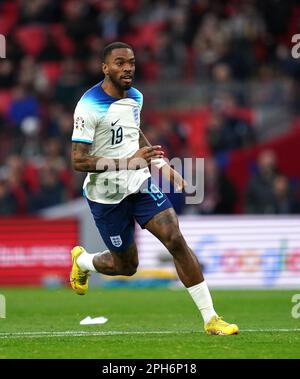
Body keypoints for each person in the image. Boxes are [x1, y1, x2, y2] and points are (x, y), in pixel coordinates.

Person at [70, 41, 239, 336]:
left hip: (139, 185)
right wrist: (128, 161)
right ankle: (82, 260)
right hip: (106, 196)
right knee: (126, 266)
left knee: (175, 238)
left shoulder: (135, 97)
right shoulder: (88, 106)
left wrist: (162, 166)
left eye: (131, 62)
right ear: (105, 68)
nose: (127, 68)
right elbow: (78, 161)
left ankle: (211, 319)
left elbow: (135, 134)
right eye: (120, 63)